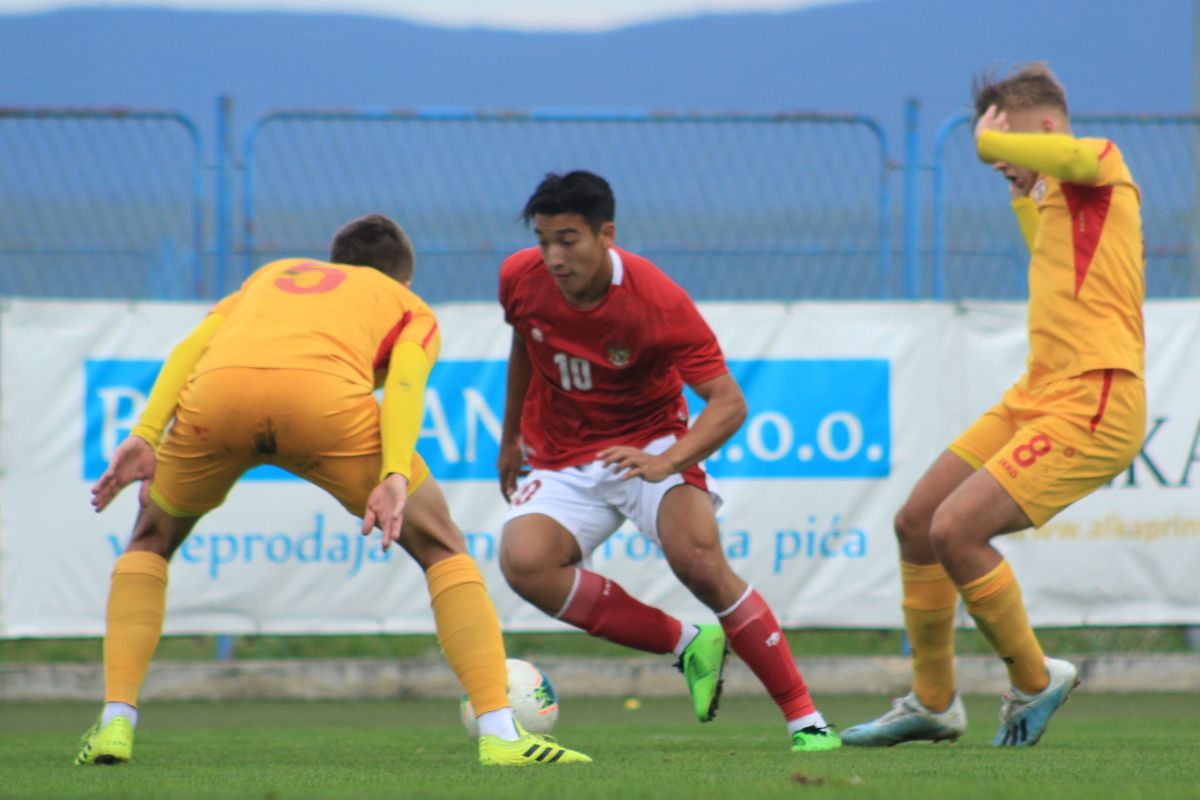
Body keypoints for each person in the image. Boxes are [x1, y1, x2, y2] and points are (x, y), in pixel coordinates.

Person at [77, 214, 590, 768]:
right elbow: (405, 382)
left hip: (215, 402)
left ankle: (114, 724)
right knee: (442, 546)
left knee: (149, 539)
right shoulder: (406, 305)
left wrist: (145, 433)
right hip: (324, 409)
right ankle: (500, 732)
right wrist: (394, 471)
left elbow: (192, 347)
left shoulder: (270, 277)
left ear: (333, 263)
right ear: (404, 280)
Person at [842, 63, 1146, 748]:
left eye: (1009, 146)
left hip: (1096, 399)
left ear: (1040, 129)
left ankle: (1037, 680)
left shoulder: (1101, 162)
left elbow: (1062, 157)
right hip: (1037, 395)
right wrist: (1017, 180)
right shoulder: (1049, 197)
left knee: (957, 532)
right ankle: (933, 701)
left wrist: (989, 141)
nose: (1000, 164)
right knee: (918, 523)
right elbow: (1052, 254)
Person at [495, 170, 841, 753]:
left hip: (649, 442)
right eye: (543, 239)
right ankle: (687, 643)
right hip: (560, 454)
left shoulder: (655, 300)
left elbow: (729, 404)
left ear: (607, 234)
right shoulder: (518, 277)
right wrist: (510, 438)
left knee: (699, 562)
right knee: (524, 563)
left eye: (568, 240)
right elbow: (525, 344)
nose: (553, 256)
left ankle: (806, 720)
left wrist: (668, 461)